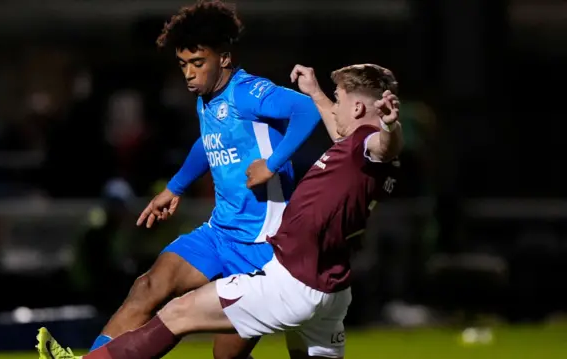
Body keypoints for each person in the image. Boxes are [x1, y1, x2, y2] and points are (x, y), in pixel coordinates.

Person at [36, 62, 403, 359]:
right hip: (331, 288)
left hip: (290, 281)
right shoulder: (353, 145)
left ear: (357, 108)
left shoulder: (370, 144)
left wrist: (390, 127)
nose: (333, 107)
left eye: (338, 100)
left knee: (180, 315)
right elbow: (346, 130)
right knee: (162, 295)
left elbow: (382, 144)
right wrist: (318, 92)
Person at [85, 1, 322, 358]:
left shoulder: (249, 92)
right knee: (147, 286)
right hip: (219, 233)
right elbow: (207, 143)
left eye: (198, 63)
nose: (189, 74)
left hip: (265, 248)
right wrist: (174, 187)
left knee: (226, 355)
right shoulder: (206, 99)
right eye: (183, 65)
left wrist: (272, 163)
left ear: (224, 58)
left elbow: (306, 109)